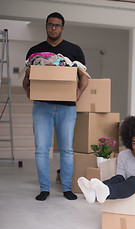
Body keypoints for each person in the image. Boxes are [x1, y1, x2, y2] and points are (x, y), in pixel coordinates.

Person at [22, 12, 89, 201]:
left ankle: (67, 188)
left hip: (67, 107)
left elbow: (84, 78)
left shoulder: (74, 50)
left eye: (57, 25)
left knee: (67, 149)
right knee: (41, 149)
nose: (53, 28)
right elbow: (27, 78)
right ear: (46, 26)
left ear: (62, 28)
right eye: (50, 25)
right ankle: (44, 188)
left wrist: (79, 92)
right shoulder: (35, 51)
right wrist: (28, 90)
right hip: (41, 106)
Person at [77, 113, 135, 203]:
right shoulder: (123, 155)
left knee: (133, 180)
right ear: (129, 142)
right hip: (124, 189)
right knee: (118, 178)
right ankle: (93, 191)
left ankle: (106, 191)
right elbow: (120, 177)